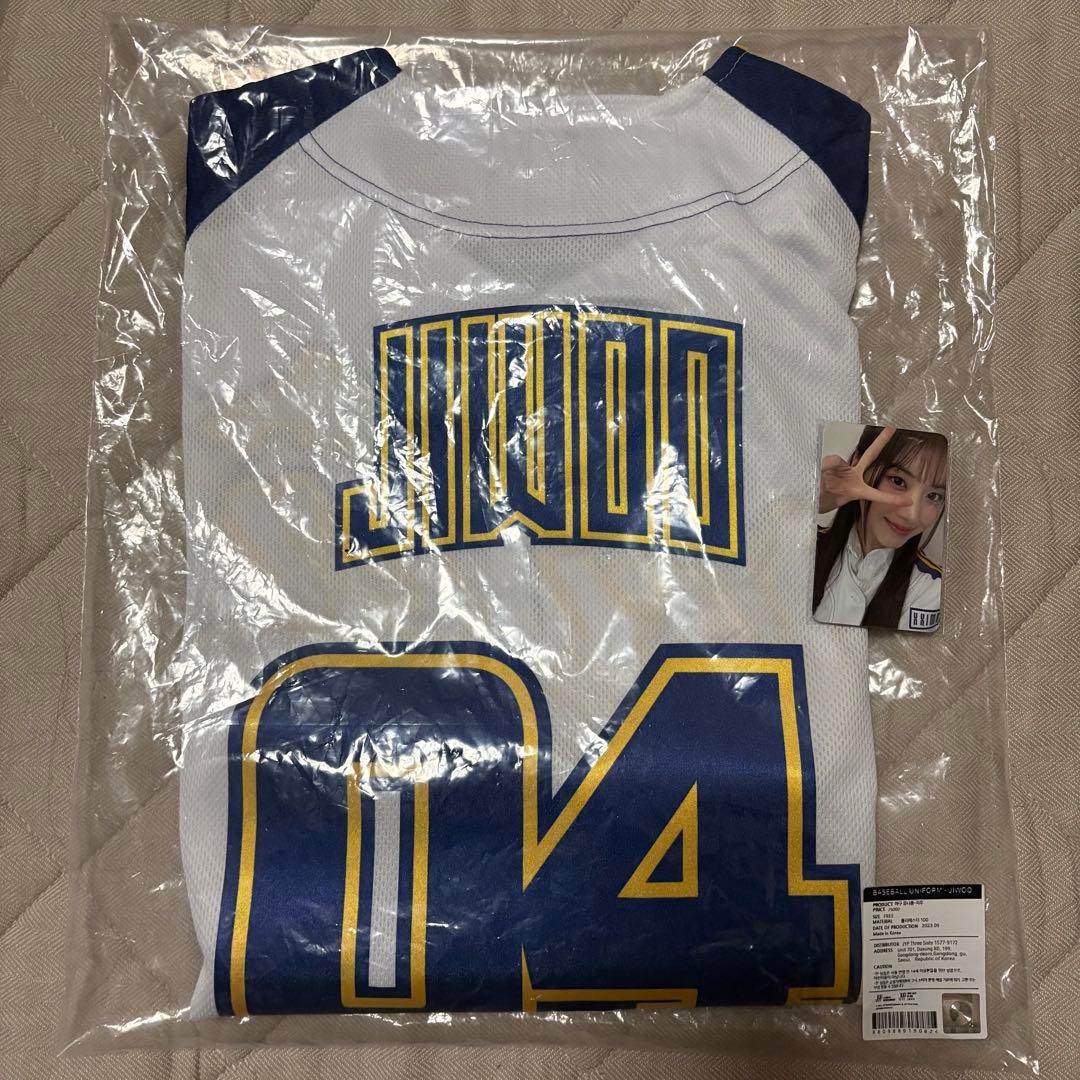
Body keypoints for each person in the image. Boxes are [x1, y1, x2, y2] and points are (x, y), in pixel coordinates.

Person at [813, 425, 947, 631]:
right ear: (857, 464)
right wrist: (806, 506)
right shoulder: (802, 545)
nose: (911, 515)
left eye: (933, 496)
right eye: (898, 481)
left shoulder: (932, 590)